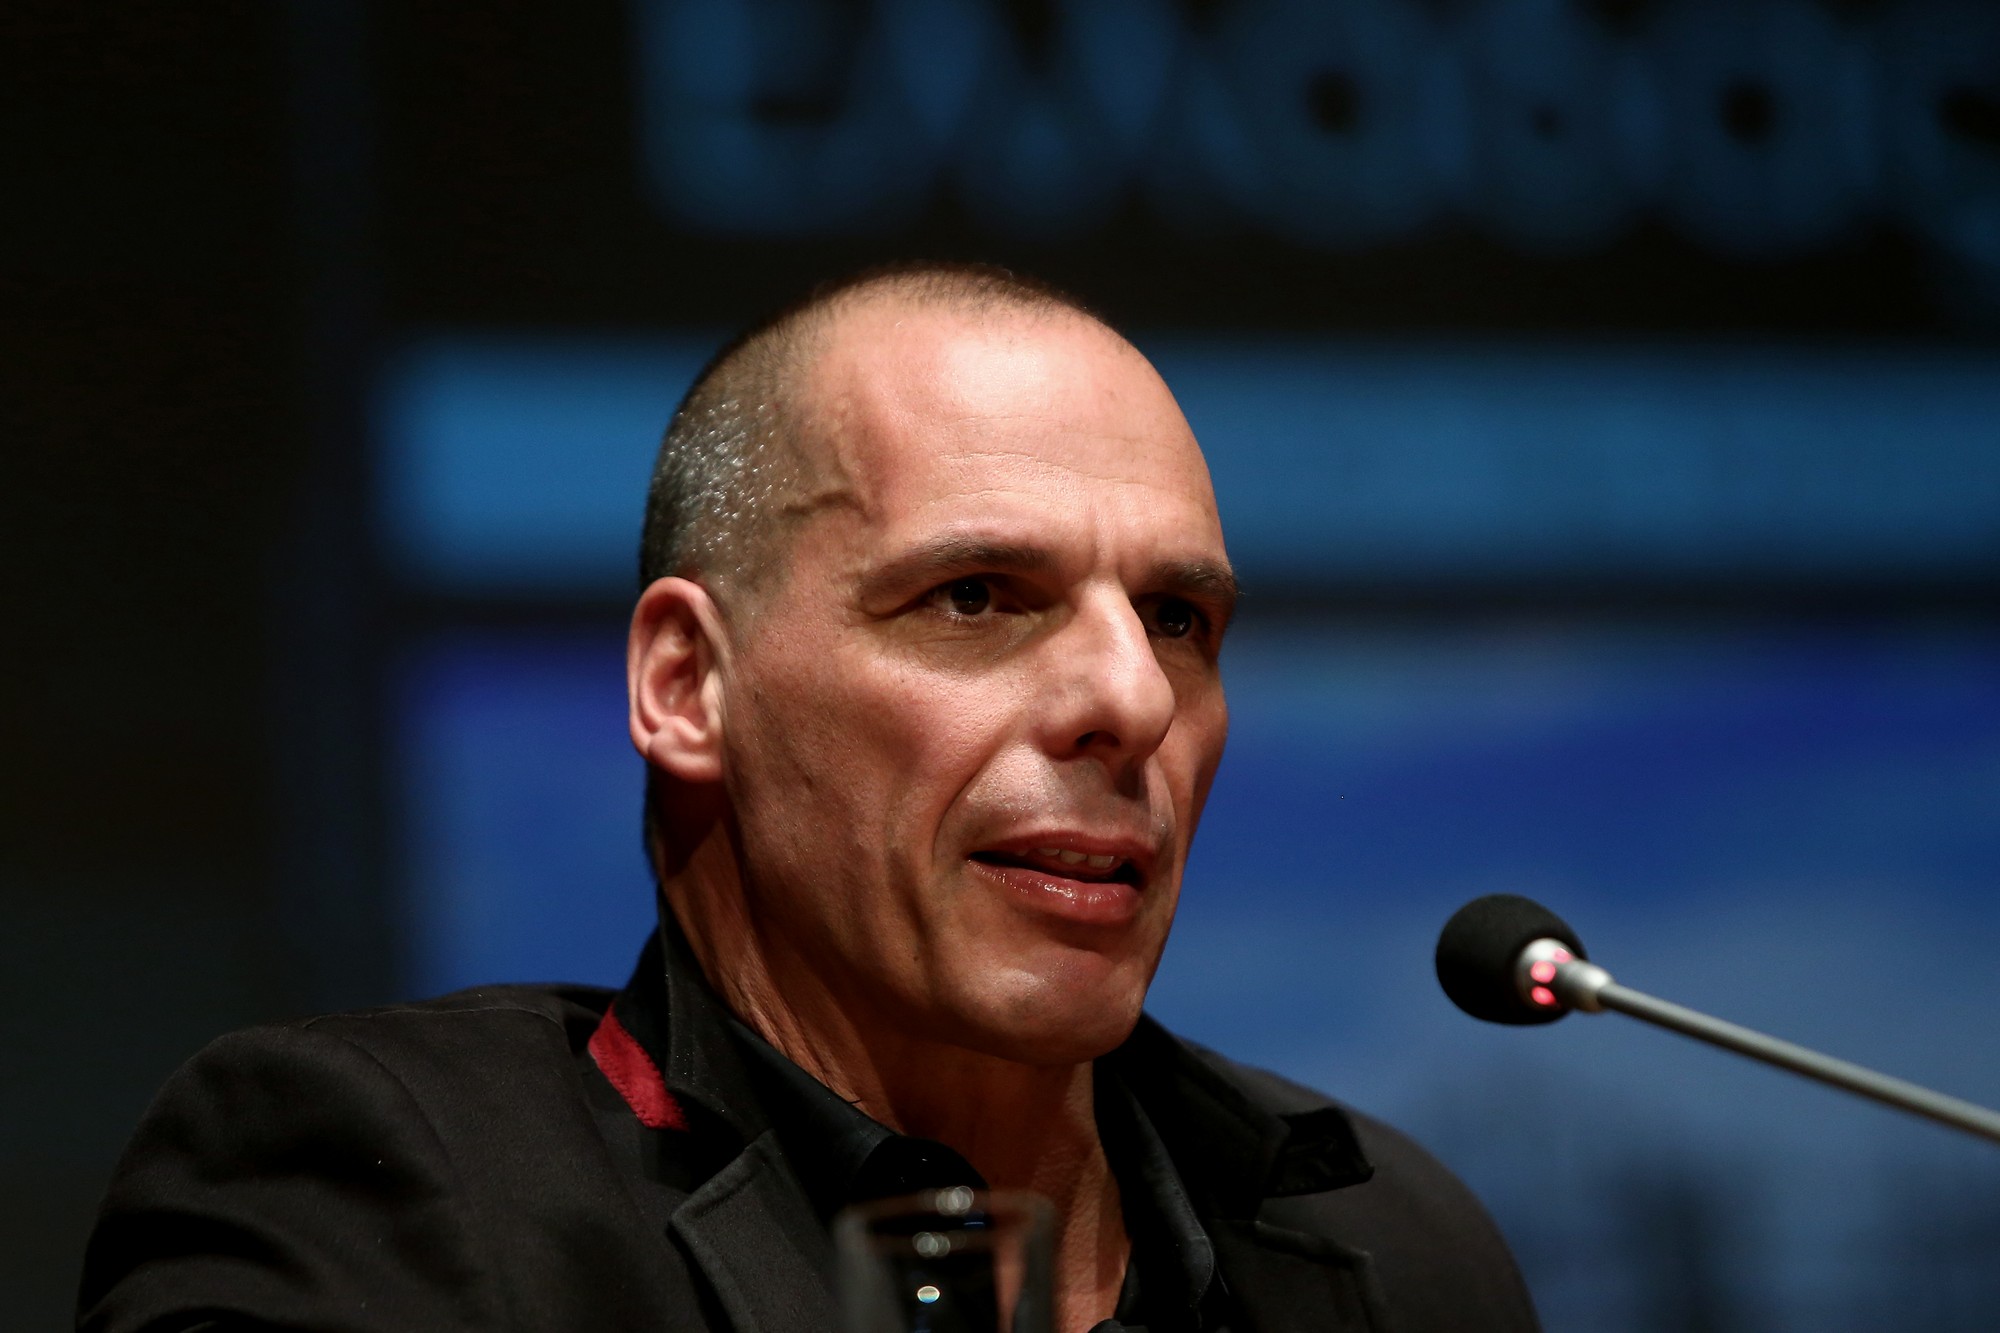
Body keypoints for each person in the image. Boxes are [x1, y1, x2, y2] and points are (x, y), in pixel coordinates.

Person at [78, 264, 1539, 1333]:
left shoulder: (1397, 1246)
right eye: (977, 596)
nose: (1134, 699)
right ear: (687, 685)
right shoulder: (392, 1195)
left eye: (1177, 619)